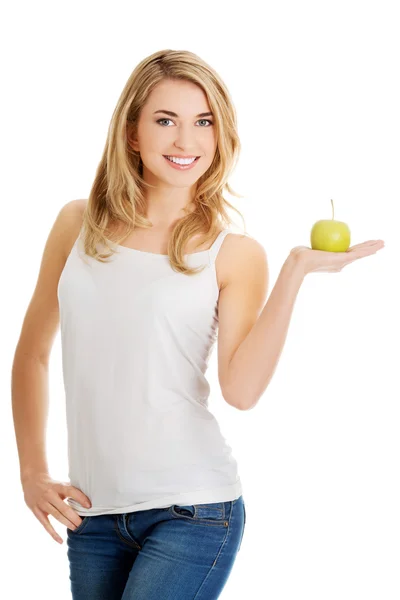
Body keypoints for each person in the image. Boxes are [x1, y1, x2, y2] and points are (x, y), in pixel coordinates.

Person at [11, 49, 384, 600]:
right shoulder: (77, 224)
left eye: (203, 122)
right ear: (132, 133)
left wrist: (294, 272)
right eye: (166, 121)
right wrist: (32, 473)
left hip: (192, 511)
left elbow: (241, 390)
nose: (187, 141)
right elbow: (32, 354)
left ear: (219, 134)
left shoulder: (232, 253)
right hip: (92, 517)